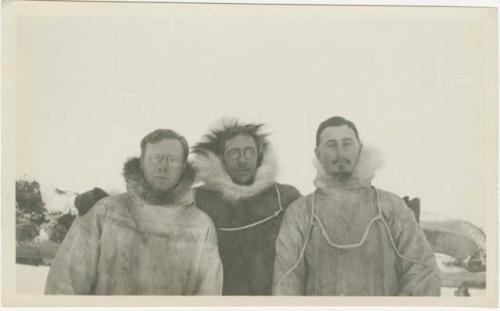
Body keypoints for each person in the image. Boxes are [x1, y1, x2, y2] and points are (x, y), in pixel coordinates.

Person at [272, 116, 440, 296]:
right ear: (318, 153)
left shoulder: (391, 207)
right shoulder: (300, 213)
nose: (340, 153)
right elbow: (286, 283)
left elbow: (422, 272)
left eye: (347, 144)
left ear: (359, 149)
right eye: (331, 145)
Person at [45, 129, 223, 295]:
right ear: (141, 163)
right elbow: (64, 285)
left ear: (183, 167)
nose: (163, 166)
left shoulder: (201, 226)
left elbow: (208, 297)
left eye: (172, 160)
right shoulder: (105, 212)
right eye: (155, 158)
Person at [190, 119, 301, 295]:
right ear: (222, 159)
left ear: (260, 156)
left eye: (249, 152)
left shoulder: (284, 197)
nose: (242, 160)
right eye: (234, 153)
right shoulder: (198, 200)